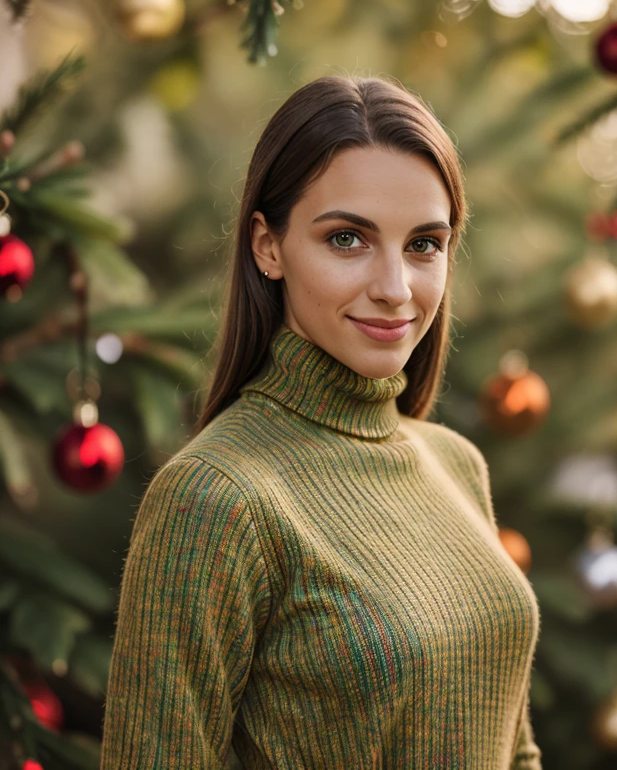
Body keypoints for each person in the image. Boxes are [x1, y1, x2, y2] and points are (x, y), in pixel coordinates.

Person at [100, 73, 543, 769]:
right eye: (347, 239)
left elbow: (516, 753)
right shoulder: (216, 499)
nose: (395, 289)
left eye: (424, 244)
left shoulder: (456, 464)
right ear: (267, 246)